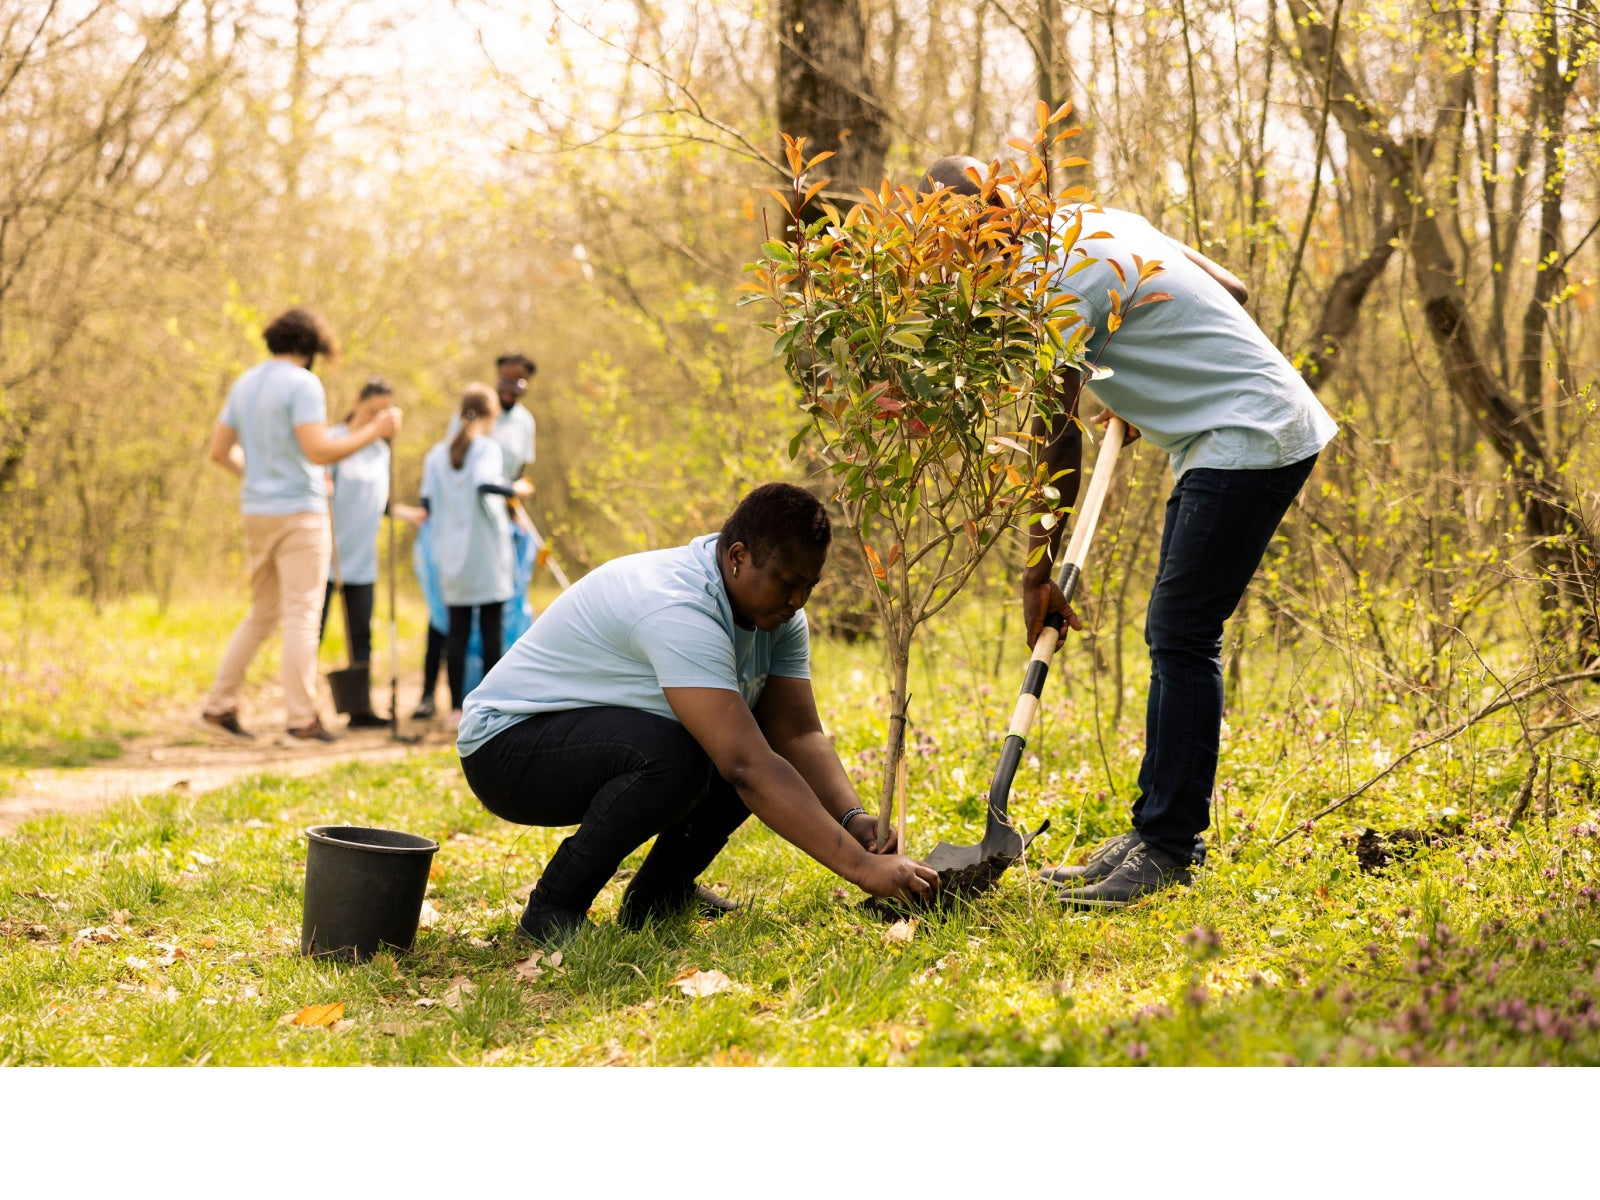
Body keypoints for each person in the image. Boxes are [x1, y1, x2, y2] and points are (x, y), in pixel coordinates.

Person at [920, 156, 1339, 909]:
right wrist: (1138, 368)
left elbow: (1057, 437)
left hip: (1249, 434)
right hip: (1228, 433)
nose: (968, 264)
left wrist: (1035, 575)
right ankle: (1154, 833)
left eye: (966, 248)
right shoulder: (1103, 223)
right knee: (1175, 631)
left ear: (984, 232)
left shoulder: (1053, 286)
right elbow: (1232, 289)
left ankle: (1171, 848)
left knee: (1181, 633)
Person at [457, 482, 940, 943]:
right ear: (737, 558)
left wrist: (852, 818)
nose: (798, 602)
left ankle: (658, 897)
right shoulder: (679, 606)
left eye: (808, 586)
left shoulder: (777, 616)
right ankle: (552, 909)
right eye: (789, 583)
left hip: (585, 739)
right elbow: (746, 766)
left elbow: (796, 734)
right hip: (507, 749)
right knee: (694, 756)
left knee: (739, 744)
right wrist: (861, 868)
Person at [200, 307, 402, 745]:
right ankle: (301, 719)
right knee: (301, 615)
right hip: (300, 514)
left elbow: (219, 451)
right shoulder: (303, 384)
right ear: (311, 346)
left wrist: (258, 479)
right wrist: (376, 431)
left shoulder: (245, 382)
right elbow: (318, 451)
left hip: (257, 510)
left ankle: (218, 706)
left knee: (263, 613)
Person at [411, 351, 540, 720]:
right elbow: (486, 483)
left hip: (450, 555)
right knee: (490, 630)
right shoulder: (486, 448)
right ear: (489, 415)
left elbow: (427, 502)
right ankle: (488, 704)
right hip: (484, 555)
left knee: (457, 630)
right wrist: (515, 488)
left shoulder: (436, 454)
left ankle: (454, 708)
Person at [318, 377, 426, 728]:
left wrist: (407, 513)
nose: (378, 419)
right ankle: (304, 708)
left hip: (362, 558)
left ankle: (359, 709)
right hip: (325, 554)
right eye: (372, 411)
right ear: (356, 402)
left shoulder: (381, 451)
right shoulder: (332, 440)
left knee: (361, 633)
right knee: (313, 632)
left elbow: (375, 503)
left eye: (385, 412)